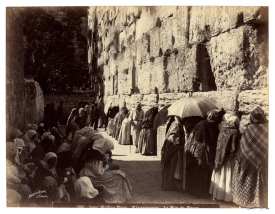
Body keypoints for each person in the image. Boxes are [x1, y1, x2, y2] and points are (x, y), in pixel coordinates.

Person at [232, 107, 268, 208]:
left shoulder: (249, 129)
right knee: (259, 180)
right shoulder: (268, 128)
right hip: (262, 160)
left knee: (247, 179)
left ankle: (244, 201)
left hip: (246, 159)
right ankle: (259, 201)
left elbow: (243, 144)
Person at [185, 109, 224, 198]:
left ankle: (192, 190)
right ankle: (201, 192)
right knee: (203, 171)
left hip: (195, 149)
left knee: (195, 170)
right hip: (203, 151)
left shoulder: (200, 123)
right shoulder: (210, 126)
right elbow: (210, 141)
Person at [209, 114, 241, 202]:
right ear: (236, 123)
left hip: (219, 157)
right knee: (227, 176)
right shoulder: (235, 132)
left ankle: (217, 195)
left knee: (221, 175)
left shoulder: (223, 130)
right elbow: (234, 147)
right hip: (229, 158)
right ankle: (227, 197)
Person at [161, 116, 185, 191]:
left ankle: (169, 184)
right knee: (172, 166)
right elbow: (173, 137)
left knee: (172, 167)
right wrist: (178, 145)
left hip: (171, 148)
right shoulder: (176, 125)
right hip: (173, 148)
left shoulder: (175, 124)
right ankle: (170, 185)